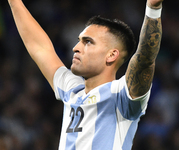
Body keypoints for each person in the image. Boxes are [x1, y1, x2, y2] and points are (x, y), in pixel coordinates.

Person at [7, 0, 163, 149]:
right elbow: (40, 48)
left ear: (111, 55)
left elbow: (144, 59)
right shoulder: (72, 89)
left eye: (87, 42)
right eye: (79, 41)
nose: (75, 48)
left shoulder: (122, 95)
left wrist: (153, 10)